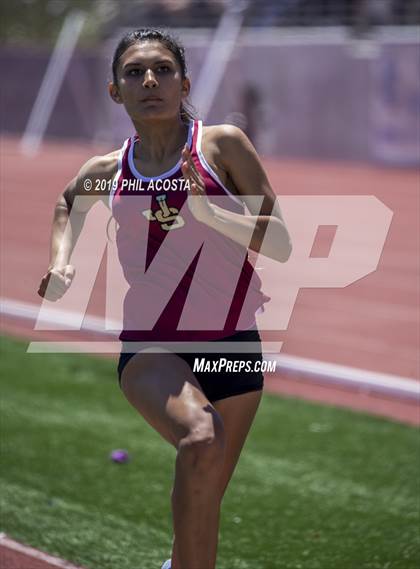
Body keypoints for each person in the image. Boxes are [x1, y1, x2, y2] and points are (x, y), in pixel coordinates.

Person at [38, 28, 292, 569]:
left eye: (162, 70)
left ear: (184, 83)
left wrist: (213, 214)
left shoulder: (221, 147)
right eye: (134, 72)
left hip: (233, 343)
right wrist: (61, 260)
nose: (149, 80)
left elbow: (283, 242)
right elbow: (68, 202)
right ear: (115, 91)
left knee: (204, 498)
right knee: (201, 438)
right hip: (153, 345)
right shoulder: (108, 171)